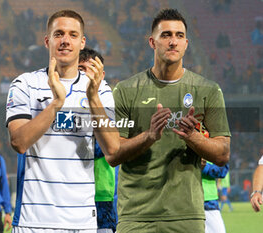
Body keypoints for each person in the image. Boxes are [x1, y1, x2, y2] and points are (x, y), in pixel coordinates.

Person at [111, 8, 231, 232]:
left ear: (186, 43)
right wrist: (149, 136)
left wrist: (193, 137)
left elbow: (223, 154)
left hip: (187, 216)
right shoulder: (126, 91)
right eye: (165, 35)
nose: (173, 41)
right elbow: (113, 154)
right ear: (152, 42)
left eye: (179, 36)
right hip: (136, 217)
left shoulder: (208, 90)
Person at [6, 9, 120, 232]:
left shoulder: (100, 89)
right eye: (59, 34)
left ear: (82, 42)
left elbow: (113, 150)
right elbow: (19, 142)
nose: (65, 40)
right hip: (34, 221)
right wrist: (57, 102)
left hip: (83, 221)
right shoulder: (25, 84)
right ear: (47, 41)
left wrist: (93, 98)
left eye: (72, 35)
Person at [79, 47, 117, 233]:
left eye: (90, 69)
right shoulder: (61, 94)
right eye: (80, 69)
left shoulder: (105, 96)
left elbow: (109, 143)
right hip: (68, 191)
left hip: (100, 191)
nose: (85, 74)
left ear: (101, 74)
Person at [202, 160, 228, 233]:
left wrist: (204, 166)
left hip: (209, 201)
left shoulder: (214, 150)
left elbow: (223, 171)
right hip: (185, 201)